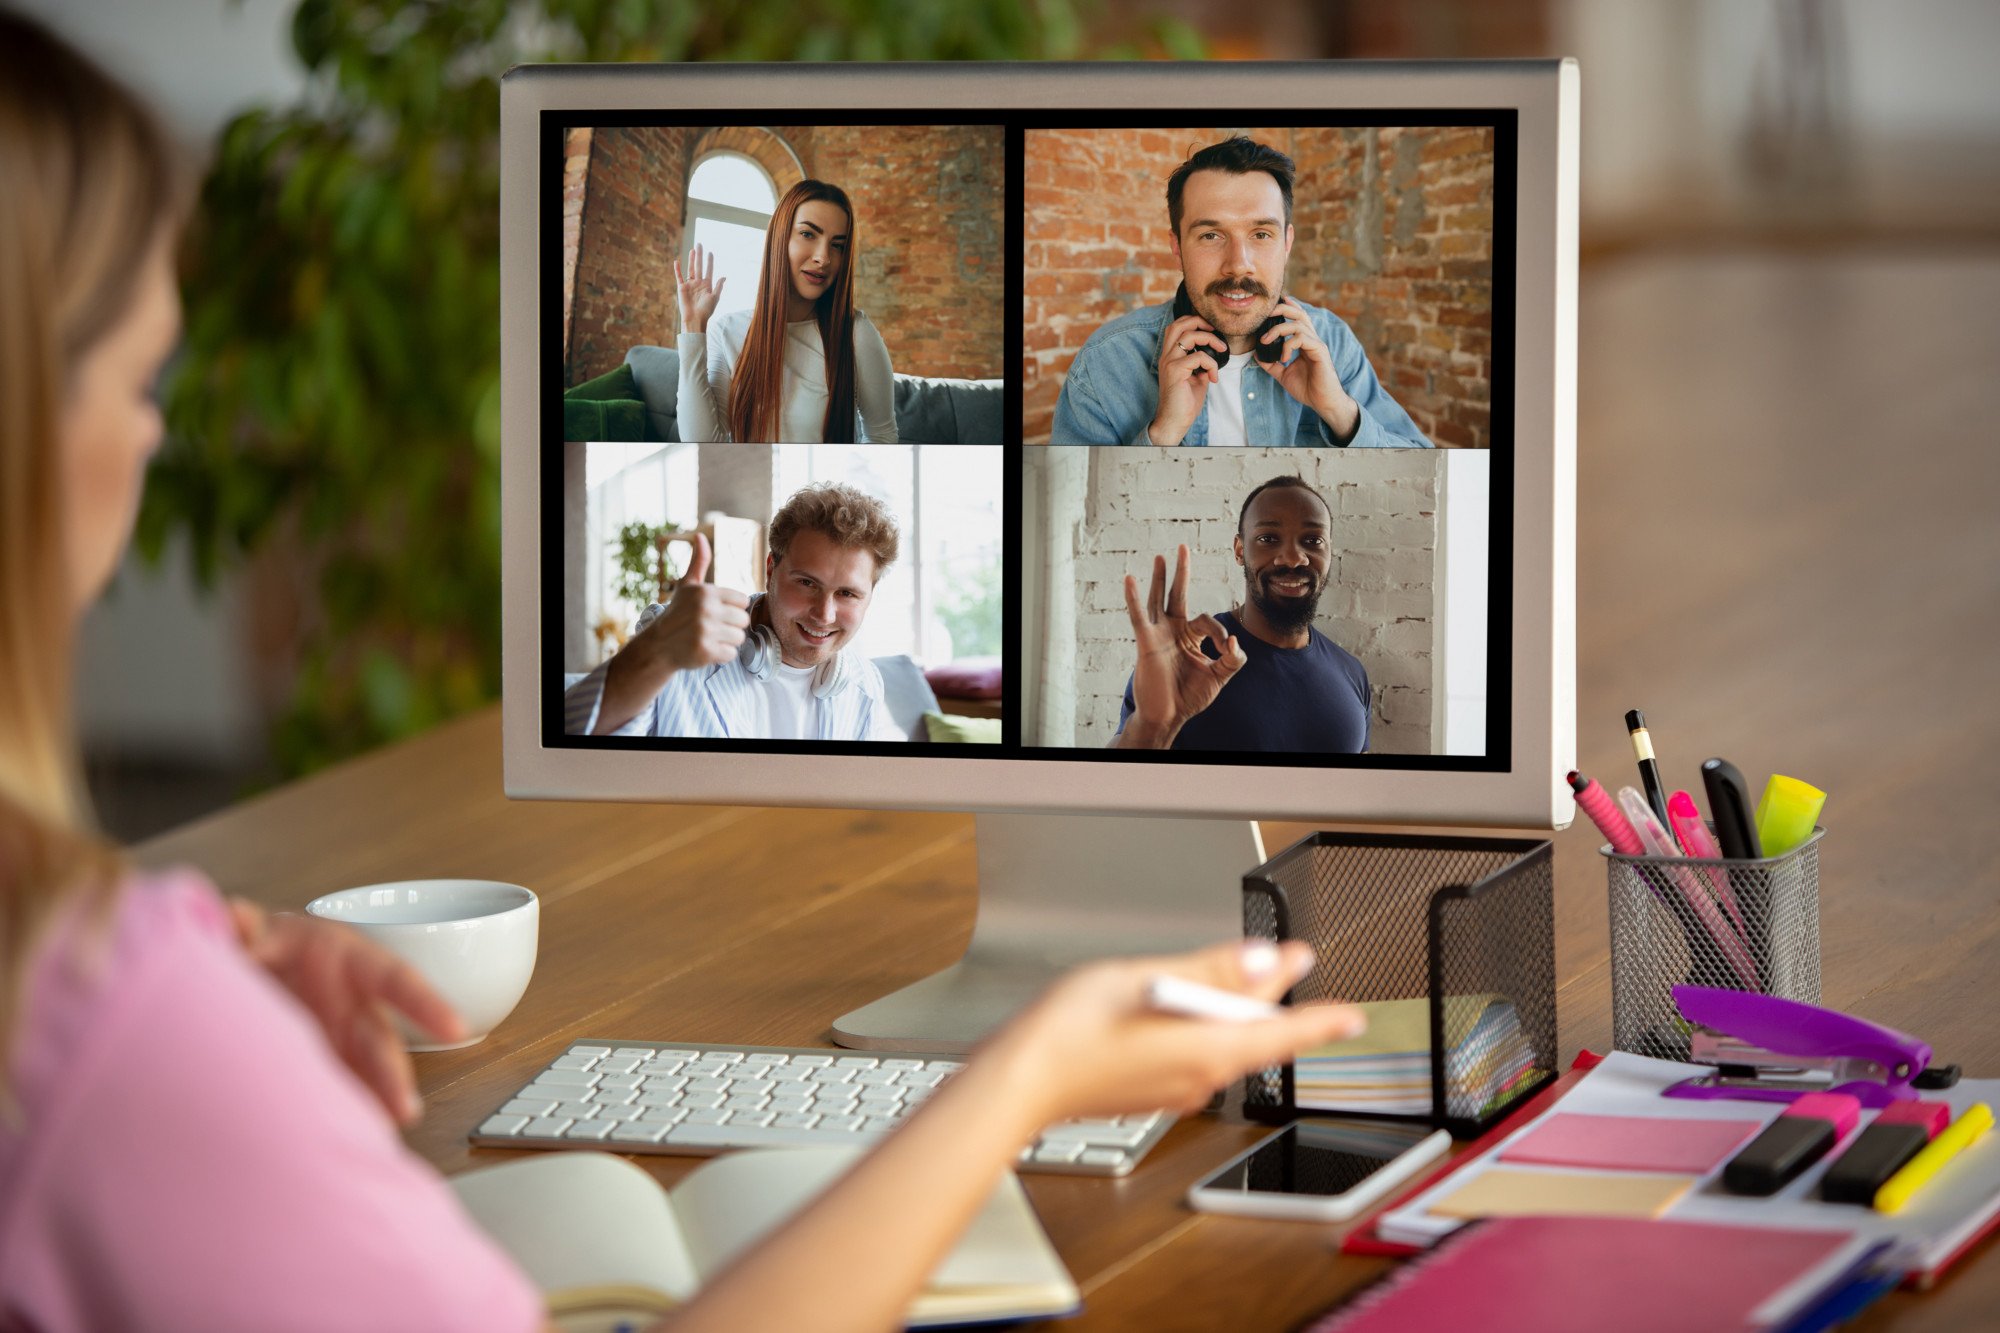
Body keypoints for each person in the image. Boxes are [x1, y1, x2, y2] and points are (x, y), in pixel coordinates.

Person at [0, 18, 1366, 1330]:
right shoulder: (94, 1010)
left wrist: (181, 985)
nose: (159, 432)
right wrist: (1024, 1084)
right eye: (137, 379)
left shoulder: (897, 634)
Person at [1050, 136, 1433, 449]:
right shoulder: (1104, 364)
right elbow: (1071, 520)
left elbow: (1422, 477)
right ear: (1177, 247)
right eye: (1211, 236)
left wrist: (1339, 412)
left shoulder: (1331, 342)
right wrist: (1161, 434)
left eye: (1261, 235)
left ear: (1287, 243)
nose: (1239, 265)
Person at [564, 482, 906, 740]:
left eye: (847, 594)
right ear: (771, 568)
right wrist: (658, 651)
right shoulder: (677, 637)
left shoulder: (865, 684)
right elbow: (573, 734)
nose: (824, 614)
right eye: (806, 583)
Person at [1111, 475, 1371, 752]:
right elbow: (1112, 783)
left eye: (1313, 540)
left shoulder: (1352, 673)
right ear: (1239, 550)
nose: (1294, 558)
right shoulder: (1187, 659)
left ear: (1331, 552)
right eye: (1268, 538)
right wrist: (1152, 727)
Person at [674, 179, 898, 443]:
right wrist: (692, 326)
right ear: (780, 238)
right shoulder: (727, 331)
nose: (823, 257)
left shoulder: (856, 333)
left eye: (837, 245)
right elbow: (701, 444)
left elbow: (882, 437)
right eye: (808, 234)